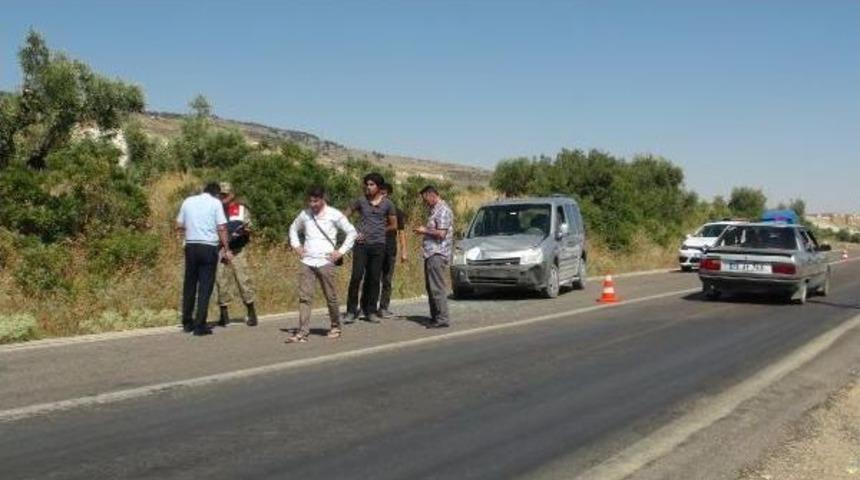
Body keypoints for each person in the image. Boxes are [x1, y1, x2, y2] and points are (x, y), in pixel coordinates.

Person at [287, 186, 357, 343]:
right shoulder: (305, 214)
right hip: (307, 260)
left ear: (323, 199)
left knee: (330, 296)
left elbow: (351, 232)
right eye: (310, 201)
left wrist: (340, 251)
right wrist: (297, 246)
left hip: (326, 261)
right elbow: (293, 228)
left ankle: (335, 326)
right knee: (305, 297)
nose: (312, 204)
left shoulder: (334, 214)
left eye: (316, 201)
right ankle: (303, 331)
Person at [176, 182, 233, 336]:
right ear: (216, 194)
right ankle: (200, 325)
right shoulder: (215, 203)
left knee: (189, 285)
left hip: (191, 246)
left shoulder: (188, 201)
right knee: (205, 287)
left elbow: (179, 224)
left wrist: (192, 229)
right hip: (208, 247)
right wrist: (227, 249)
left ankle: (187, 322)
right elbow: (221, 227)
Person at [344, 173, 397, 324]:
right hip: (361, 246)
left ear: (379, 187)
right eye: (367, 184)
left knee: (374, 279)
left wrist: (380, 231)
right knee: (356, 277)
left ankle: (370, 311)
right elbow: (344, 216)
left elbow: (393, 225)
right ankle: (351, 311)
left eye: (372, 184)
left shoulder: (387, 204)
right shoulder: (360, 201)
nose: (368, 187)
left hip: (378, 246)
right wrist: (353, 232)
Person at [215, 182, 258, 327]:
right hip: (220, 250)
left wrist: (242, 232)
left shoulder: (241, 209)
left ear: (232, 194)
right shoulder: (215, 210)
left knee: (243, 280)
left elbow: (249, 227)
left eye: (225, 195)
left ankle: (252, 312)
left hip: (238, 250)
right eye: (220, 194)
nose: (222, 197)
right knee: (221, 281)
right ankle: (224, 315)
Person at [414, 185, 454, 329]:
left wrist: (424, 230)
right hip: (430, 253)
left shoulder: (443, 210)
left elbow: (441, 233)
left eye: (425, 199)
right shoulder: (434, 210)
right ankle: (435, 316)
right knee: (431, 287)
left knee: (437, 287)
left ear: (431, 195)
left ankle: (442, 318)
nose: (425, 202)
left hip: (437, 253)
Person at [377, 182, 407, 318]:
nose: (381, 196)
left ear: (389, 194)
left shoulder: (396, 211)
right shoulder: (373, 209)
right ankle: (368, 307)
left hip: (390, 249)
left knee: (387, 280)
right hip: (375, 249)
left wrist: (404, 251)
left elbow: (401, 232)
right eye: (379, 193)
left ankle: (383, 307)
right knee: (372, 279)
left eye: (384, 193)